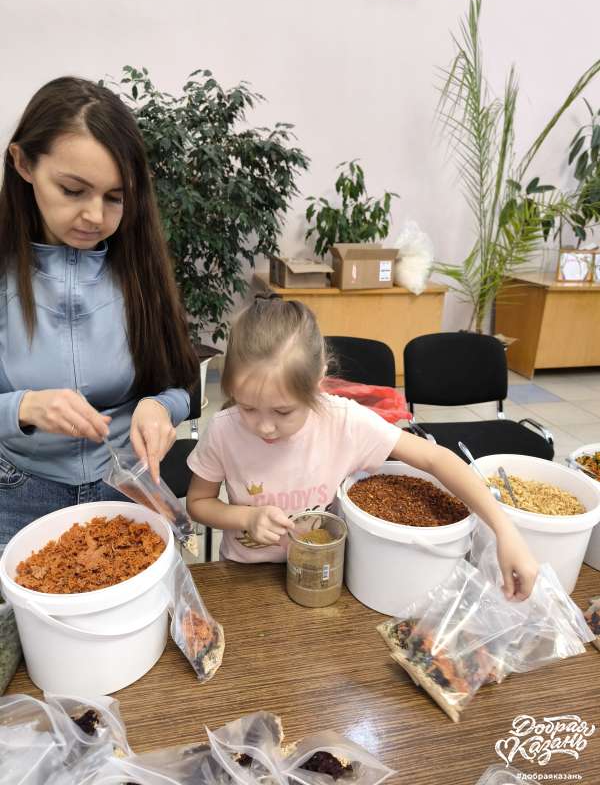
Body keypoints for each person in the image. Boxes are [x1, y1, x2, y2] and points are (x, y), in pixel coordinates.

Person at [187, 296, 539, 600]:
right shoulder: (224, 430)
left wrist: (504, 529)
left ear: (318, 381)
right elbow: (198, 503)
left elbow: (434, 457)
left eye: (282, 411)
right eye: (247, 407)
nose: (264, 426)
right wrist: (246, 517)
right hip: (246, 575)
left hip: (327, 570)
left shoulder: (343, 421)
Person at [0, 77, 198, 546]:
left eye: (115, 197)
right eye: (72, 190)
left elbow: (183, 384)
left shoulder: (137, 267)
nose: (95, 217)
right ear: (24, 163)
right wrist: (23, 407)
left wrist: (159, 406)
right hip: (19, 492)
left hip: (126, 484)